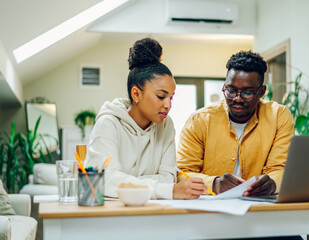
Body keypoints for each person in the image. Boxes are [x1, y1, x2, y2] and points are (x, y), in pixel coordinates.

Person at [85, 38, 205, 200]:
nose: (168, 105)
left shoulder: (166, 125)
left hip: (153, 211)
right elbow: (105, 180)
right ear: (136, 94)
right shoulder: (109, 123)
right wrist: (166, 189)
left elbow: (168, 178)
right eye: (161, 96)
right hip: (112, 214)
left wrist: (125, 181)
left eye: (171, 97)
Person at [177, 50, 294, 196]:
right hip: (211, 206)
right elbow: (182, 173)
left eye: (247, 92)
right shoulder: (200, 120)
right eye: (231, 91)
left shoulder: (278, 117)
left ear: (262, 91)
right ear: (224, 87)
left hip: (258, 206)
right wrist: (214, 183)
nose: (237, 99)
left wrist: (273, 183)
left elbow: (282, 169)